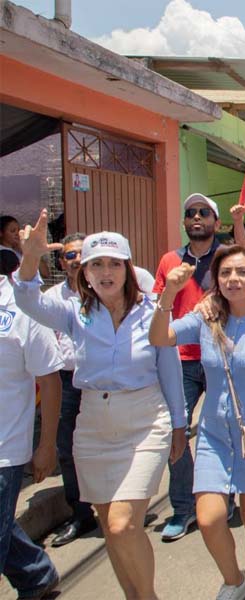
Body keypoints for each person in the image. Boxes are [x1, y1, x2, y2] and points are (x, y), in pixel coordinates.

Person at [14, 213, 187, 599]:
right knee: (110, 525)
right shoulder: (74, 311)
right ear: (84, 271)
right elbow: (26, 298)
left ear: (127, 268)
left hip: (144, 421)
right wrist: (29, 258)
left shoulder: (153, 310)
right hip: (92, 425)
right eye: (96, 264)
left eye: (113, 263)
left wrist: (179, 425)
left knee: (126, 523)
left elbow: (169, 370)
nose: (105, 272)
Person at [151, 245, 245, 600]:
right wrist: (169, 294)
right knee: (209, 518)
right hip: (214, 434)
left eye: (243, 272)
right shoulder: (205, 317)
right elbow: (160, 337)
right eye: (226, 273)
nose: (234, 279)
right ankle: (235, 579)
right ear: (216, 280)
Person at [154, 192, 222, 542]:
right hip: (179, 360)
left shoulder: (225, 257)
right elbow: (158, 303)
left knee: (229, 426)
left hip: (220, 355)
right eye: (190, 212)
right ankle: (183, 509)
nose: (196, 217)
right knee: (175, 434)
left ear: (216, 222)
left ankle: (231, 496)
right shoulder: (169, 260)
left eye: (204, 212)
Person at [0, 269, 63, 599]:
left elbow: (50, 380)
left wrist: (47, 444)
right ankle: (36, 574)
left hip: (4, 448)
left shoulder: (21, 307)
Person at [43, 233, 99, 547]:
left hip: (101, 381)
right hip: (66, 381)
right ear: (61, 262)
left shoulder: (108, 291)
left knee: (110, 443)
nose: (75, 259)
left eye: (80, 253)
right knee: (67, 450)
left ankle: (121, 504)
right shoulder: (52, 297)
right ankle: (80, 514)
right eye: (69, 255)